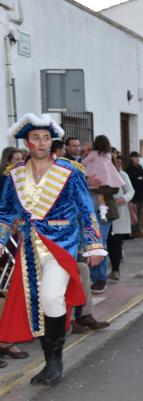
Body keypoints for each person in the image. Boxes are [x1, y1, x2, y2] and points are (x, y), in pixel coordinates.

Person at [0, 113, 105, 386]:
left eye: (46, 137)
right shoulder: (14, 176)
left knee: (51, 297)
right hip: (29, 247)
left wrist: (94, 245)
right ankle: (49, 361)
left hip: (61, 243)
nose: (42, 142)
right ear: (27, 142)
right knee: (38, 304)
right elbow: (6, 214)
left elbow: (86, 210)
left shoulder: (69, 172)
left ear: (51, 141)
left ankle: (56, 359)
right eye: (36, 138)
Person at [82, 135, 125, 223]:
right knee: (101, 196)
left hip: (95, 180)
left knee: (99, 197)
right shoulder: (108, 155)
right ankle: (103, 215)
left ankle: (101, 215)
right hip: (107, 181)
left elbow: (83, 162)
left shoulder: (94, 153)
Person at [107, 155, 134, 281]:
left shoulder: (122, 175)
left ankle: (115, 270)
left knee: (115, 242)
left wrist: (124, 198)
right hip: (103, 211)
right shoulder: (102, 174)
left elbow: (130, 191)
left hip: (118, 212)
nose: (117, 165)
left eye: (119, 163)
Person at [125, 151, 143, 238]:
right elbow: (134, 180)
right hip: (135, 194)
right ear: (131, 158)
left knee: (139, 213)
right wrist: (141, 178)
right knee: (134, 213)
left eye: (138, 157)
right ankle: (134, 230)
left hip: (141, 193)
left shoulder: (140, 167)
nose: (137, 159)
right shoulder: (129, 169)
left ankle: (137, 229)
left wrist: (142, 178)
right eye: (135, 157)